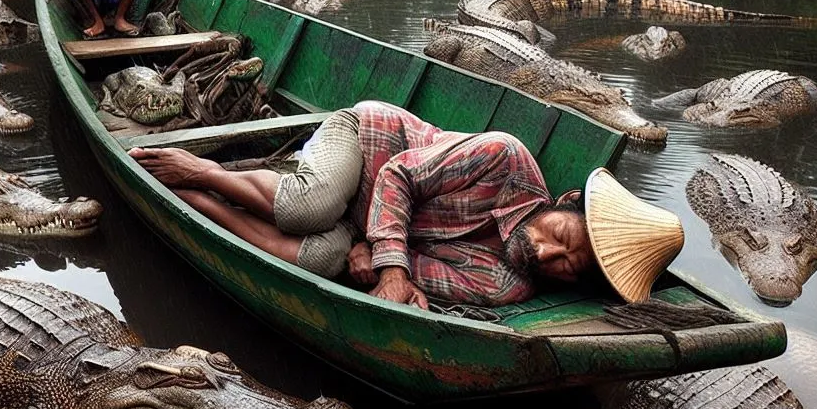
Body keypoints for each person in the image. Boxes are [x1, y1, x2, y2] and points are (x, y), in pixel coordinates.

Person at [129, 100, 683, 310]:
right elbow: (398, 174)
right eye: (564, 235)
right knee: (311, 206)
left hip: (370, 225)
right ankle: (205, 168)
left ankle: (198, 200)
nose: (548, 253)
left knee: (317, 259)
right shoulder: (506, 160)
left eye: (569, 267)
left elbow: (415, 273)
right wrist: (392, 265)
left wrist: (385, 262)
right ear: (566, 203)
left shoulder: (507, 284)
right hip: (369, 144)